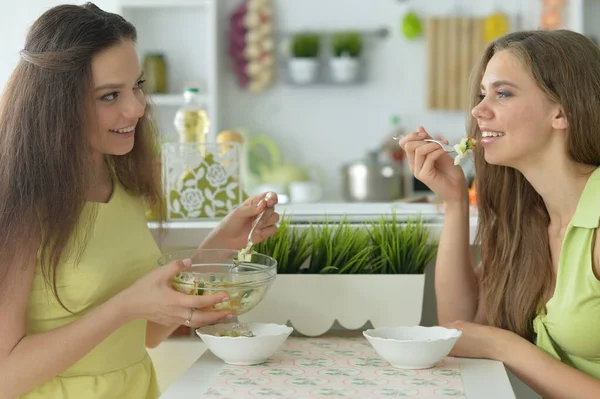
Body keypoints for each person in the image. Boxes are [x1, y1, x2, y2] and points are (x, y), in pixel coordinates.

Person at [0, 3, 279, 399]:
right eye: (109, 95)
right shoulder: (20, 203)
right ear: (54, 105)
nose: (136, 107)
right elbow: (4, 376)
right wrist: (124, 306)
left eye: (137, 85)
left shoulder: (123, 182)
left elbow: (146, 330)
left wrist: (222, 244)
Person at [400, 29, 600, 398]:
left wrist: (504, 347)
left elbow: (484, 340)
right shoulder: (528, 219)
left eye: (502, 93)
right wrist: (456, 204)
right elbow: (460, 328)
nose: (478, 111)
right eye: (481, 94)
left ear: (562, 111)